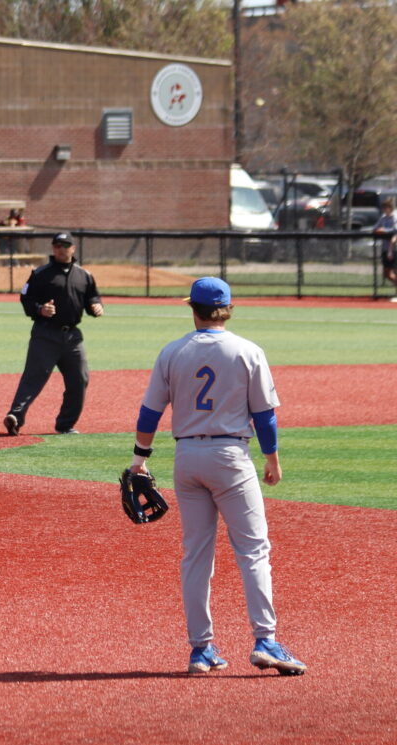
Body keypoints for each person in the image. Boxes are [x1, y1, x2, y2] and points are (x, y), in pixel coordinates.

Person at [129, 277, 307, 677]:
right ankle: (265, 640)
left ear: (192, 308)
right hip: (231, 457)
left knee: (196, 555)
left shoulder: (172, 352)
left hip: (187, 457)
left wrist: (140, 459)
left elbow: (149, 414)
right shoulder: (248, 351)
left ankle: (201, 649)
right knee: (253, 550)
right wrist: (273, 459)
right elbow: (265, 415)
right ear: (228, 308)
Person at [3, 232, 102, 436]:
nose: (61, 249)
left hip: (73, 337)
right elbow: (25, 299)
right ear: (52, 248)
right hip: (45, 334)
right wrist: (40, 309)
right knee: (33, 378)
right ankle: (15, 417)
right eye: (57, 246)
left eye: (65, 245)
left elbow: (92, 296)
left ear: (73, 249)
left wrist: (95, 306)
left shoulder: (84, 275)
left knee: (79, 379)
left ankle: (65, 425)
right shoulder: (41, 273)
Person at [370, 198, 397, 301]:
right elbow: (375, 228)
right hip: (385, 248)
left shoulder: (395, 217)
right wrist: (379, 230)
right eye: (383, 207)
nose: (384, 209)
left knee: (394, 271)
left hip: (394, 249)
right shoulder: (383, 218)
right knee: (386, 273)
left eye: (386, 207)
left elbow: (395, 231)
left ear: (390, 208)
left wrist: (384, 230)